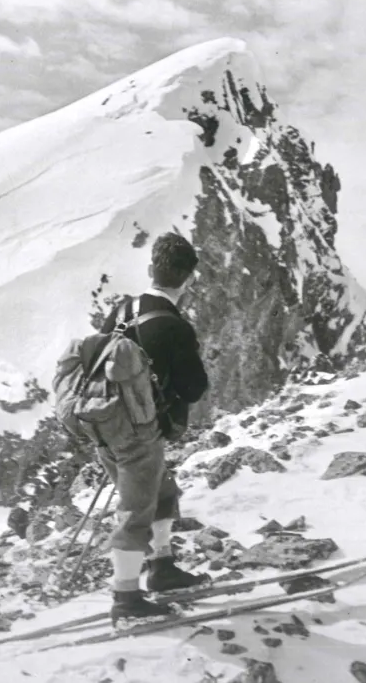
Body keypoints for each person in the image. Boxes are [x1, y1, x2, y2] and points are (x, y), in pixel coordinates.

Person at [96, 232, 210, 622]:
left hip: (104, 424)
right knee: (136, 510)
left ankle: (162, 567)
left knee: (160, 491)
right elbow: (194, 388)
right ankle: (125, 598)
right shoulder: (174, 326)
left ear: (150, 270)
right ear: (189, 279)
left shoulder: (121, 310)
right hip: (139, 433)